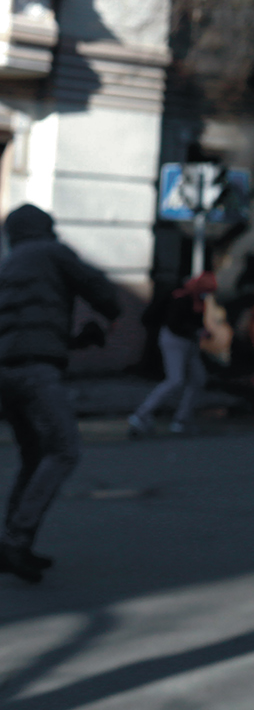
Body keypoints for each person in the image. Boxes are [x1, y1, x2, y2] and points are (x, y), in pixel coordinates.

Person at [0, 204, 123, 583]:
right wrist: (108, 313)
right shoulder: (52, 253)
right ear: (44, 229)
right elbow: (104, 293)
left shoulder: (7, 266)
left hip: (6, 373)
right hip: (36, 372)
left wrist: (74, 340)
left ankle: (14, 540)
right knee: (64, 449)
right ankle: (14, 539)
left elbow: (25, 330)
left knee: (35, 454)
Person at [129, 271, 217, 437]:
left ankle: (182, 420)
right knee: (175, 380)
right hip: (175, 341)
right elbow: (175, 324)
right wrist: (197, 332)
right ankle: (141, 415)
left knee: (198, 379)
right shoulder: (182, 298)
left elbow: (195, 320)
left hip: (189, 342)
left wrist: (199, 331)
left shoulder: (198, 299)